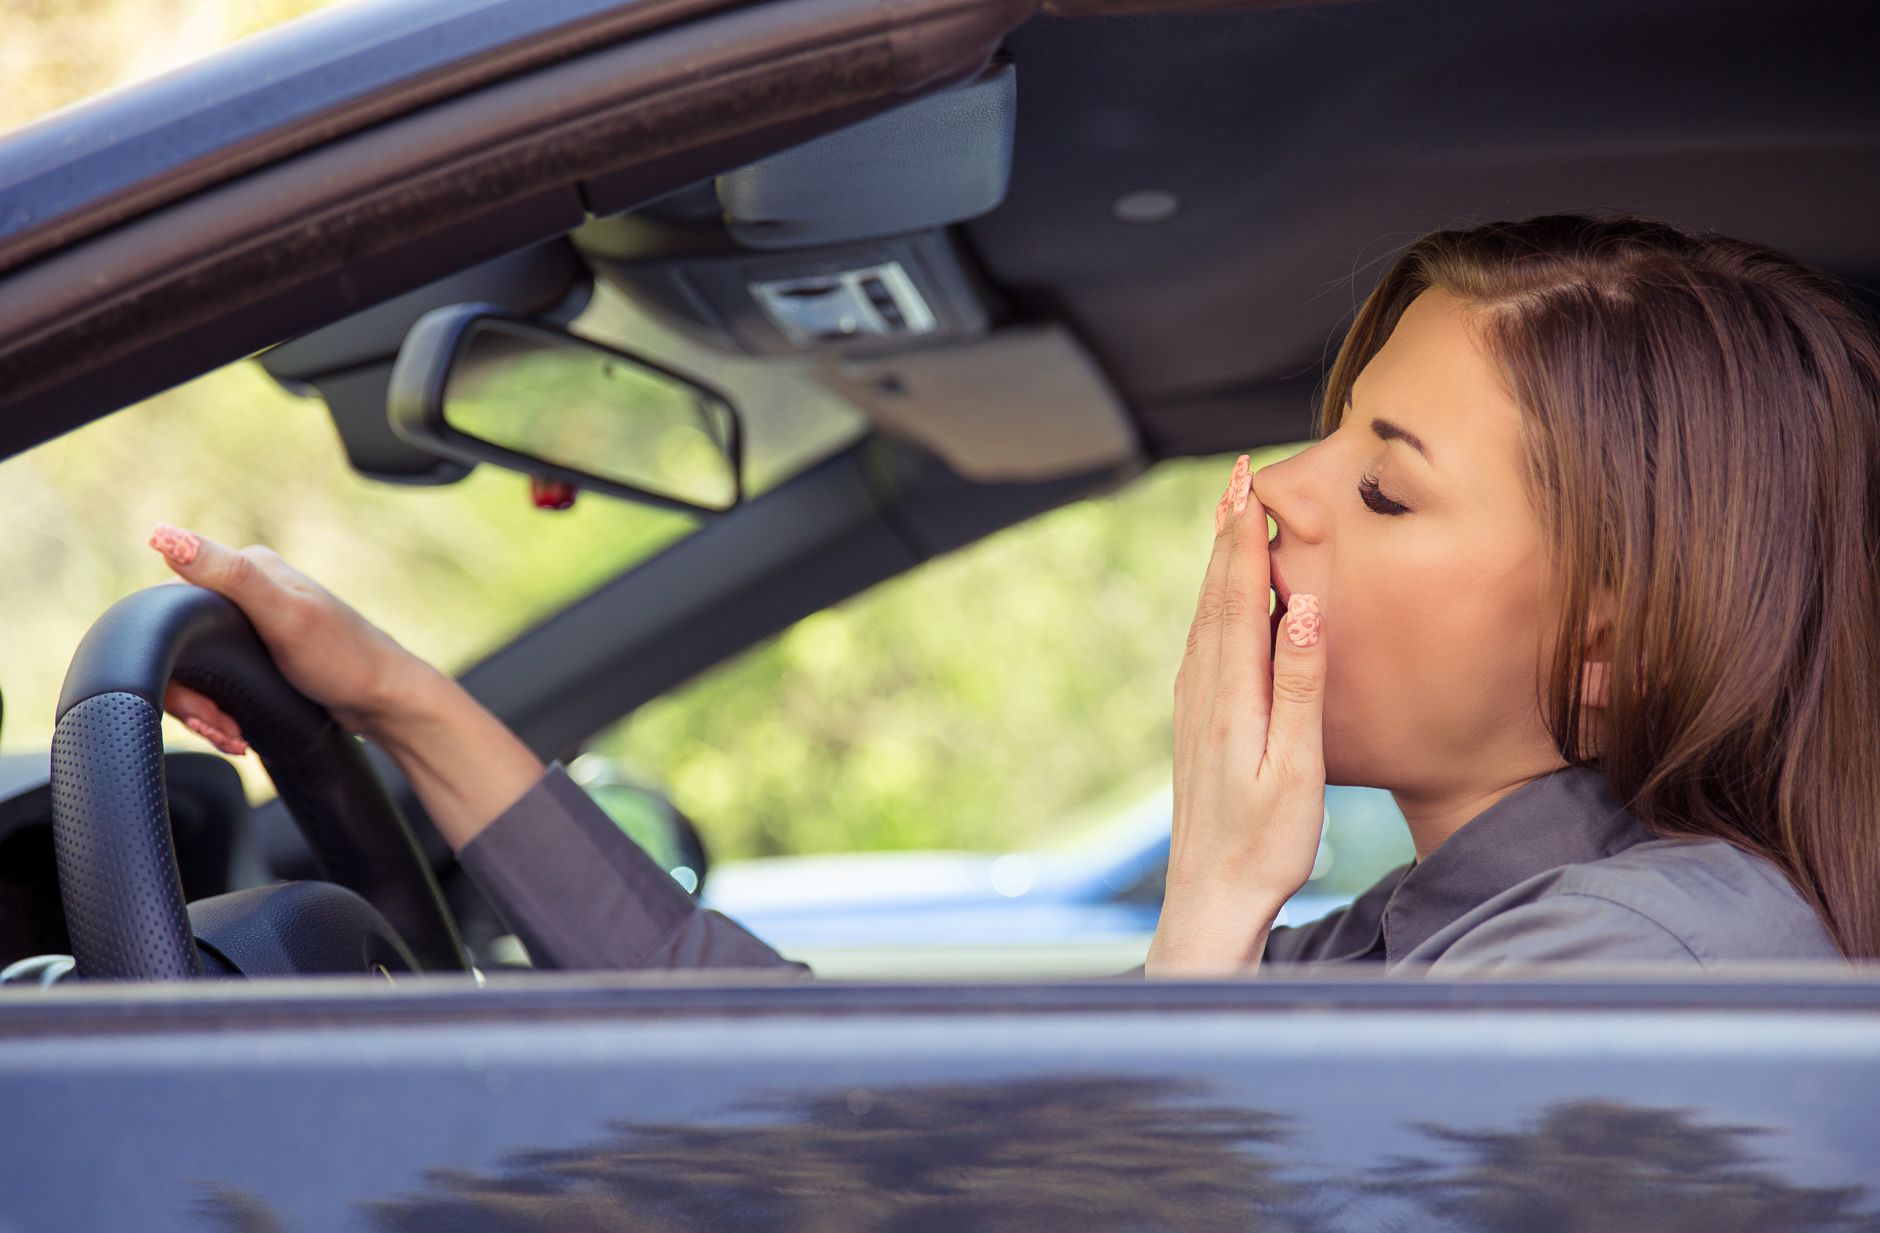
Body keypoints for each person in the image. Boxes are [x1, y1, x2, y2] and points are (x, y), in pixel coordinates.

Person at [146, 212, 1875, 977]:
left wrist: (1210, 905)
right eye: (1324, 437)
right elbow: (841, 1094)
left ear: (1614, 636)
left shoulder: (1653, 962)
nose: (1270, 491)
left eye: (1384, 481)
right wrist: (395, 696)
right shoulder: (1441, 932)